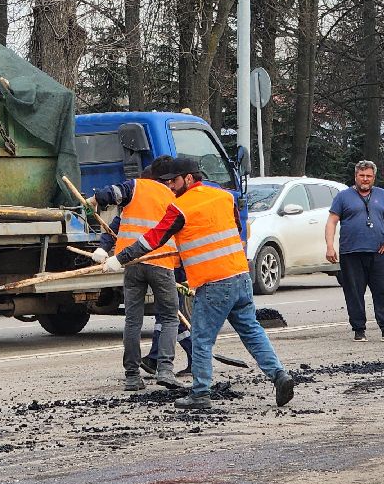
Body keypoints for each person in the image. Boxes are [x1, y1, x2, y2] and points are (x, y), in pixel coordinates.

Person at [103, 157, 295, 411]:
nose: (170, 186)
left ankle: (200, 393)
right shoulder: (225, 197)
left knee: (201, 339)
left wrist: (119, 258)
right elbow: (235, 229)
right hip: (240, 276)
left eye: (174, 181)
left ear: (189, 178)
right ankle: (279, 375)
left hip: (213, 283)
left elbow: (152, 240)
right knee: (251, 331)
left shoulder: (180, 207)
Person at [88, 156, 183, 391]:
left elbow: (114, 218)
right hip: (161, 263)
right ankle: (165, 370)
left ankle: (132, 375)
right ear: (169, 178)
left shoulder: (135, 188)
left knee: (133, 320)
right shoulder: (175, 196)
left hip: (131, 263)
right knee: (169, 317)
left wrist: (103, 246)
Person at [325, 160, 384, 343]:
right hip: (351, 252)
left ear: (373, 177)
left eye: (369, 176)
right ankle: (359, 330)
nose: (365, 179)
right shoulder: (343, 197)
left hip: (378, 252)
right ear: (356, 176)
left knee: (383, 291)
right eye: (362, 175)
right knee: (354, 292)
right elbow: (331, 222)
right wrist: (330, 246)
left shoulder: (382, 195)